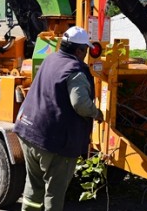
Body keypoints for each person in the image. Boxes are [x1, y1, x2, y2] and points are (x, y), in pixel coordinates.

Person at [14, 26, 103, 211]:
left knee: (34, 185)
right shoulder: (75, 69)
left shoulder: (50, 59)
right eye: (85, 50)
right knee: (55, 192)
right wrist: (97, 113)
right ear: (79, 50)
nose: (86, 54)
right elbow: (80, 104)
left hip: (28, 131)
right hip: (54, 141)